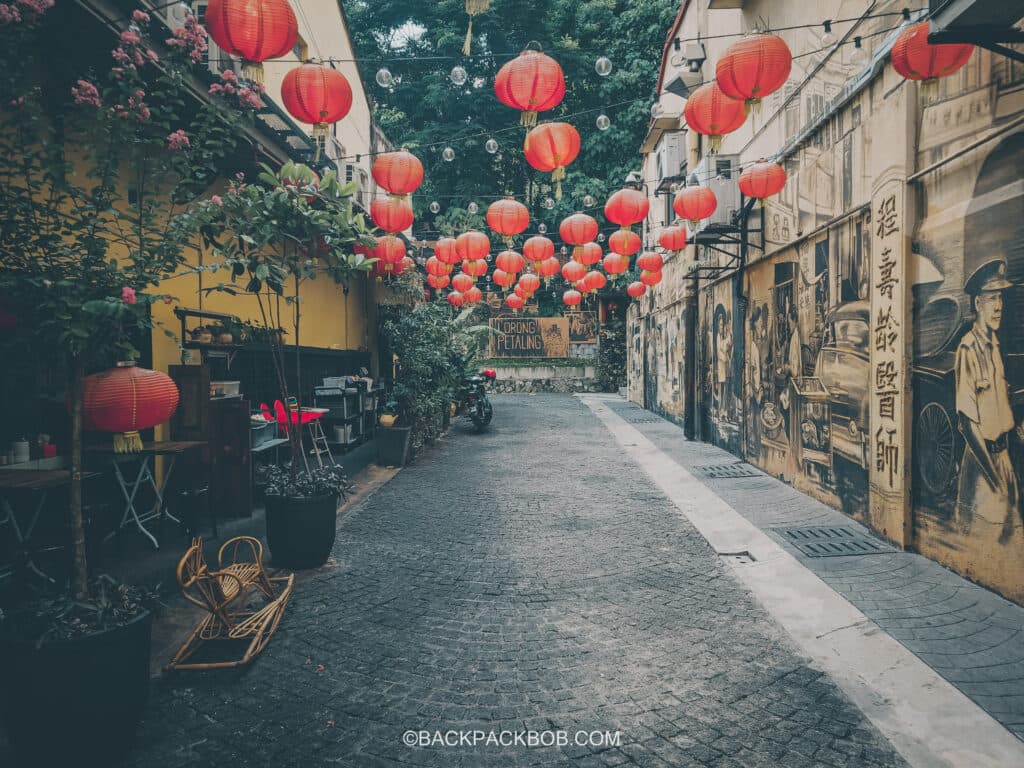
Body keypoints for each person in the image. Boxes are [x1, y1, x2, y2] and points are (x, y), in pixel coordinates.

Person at [954, 260, 1023, 561]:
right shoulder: (968, 350)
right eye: (992, 298)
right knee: (987, 542)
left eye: (1001, 298)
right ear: (978, 303)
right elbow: (968, 424)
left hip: (1003, 457)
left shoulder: (994, 345)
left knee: (1010, 538)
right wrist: (995, 481)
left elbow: (997, 405)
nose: (999, 306)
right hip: (983, 467)